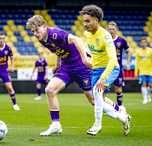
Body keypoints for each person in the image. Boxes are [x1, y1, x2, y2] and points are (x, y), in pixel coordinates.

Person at [26, 15, 129, 136]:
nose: (35, 34)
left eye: (37, 30)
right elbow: (58, 48)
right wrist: (58, 64)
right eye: (33, 31)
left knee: (94, 100)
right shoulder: (41, 38)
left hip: (81, 67)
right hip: (66, 67)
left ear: (44, 27)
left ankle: (120, 110)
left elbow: (78, 40)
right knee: (49, 90)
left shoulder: (55, 33)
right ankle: (56, 125)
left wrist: (85, 60)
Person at [80, 5, 131, 136]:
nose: (85, 24)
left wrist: (103, 78)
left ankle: (97, 125)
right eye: (84, 21)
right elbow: (95, 53)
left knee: (97, 93)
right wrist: (89, 61)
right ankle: (123, 117)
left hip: (111, 68)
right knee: (98, 102)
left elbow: (113, 59)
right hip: (96, 70)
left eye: (87, 21)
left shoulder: (105, 36)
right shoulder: (87, 34)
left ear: (96, 20)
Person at [108, 21, 131, 106]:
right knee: (103, 89)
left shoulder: (121, 40)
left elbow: (128, 51)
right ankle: (104, 108)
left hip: (118, 68)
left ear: (116, 30)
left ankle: (120, 108)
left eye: (113, 29)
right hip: (106, 68)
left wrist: (128, 63)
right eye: (110, 29)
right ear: (107, 30)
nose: (111, 31)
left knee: (118, 90)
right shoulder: (105, 40)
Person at [135, 37, 152, 104]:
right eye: (142, 42)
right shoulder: (138, 51)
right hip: (142, 71)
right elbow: (137, 63)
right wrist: (136, 72)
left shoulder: (150, 51)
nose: (143, 43)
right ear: (140, 43)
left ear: (146, 43)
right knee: (143, 84)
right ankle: (145, 98)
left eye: (144, 42)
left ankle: (147, 95)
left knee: (150, 85)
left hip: (150, 71)